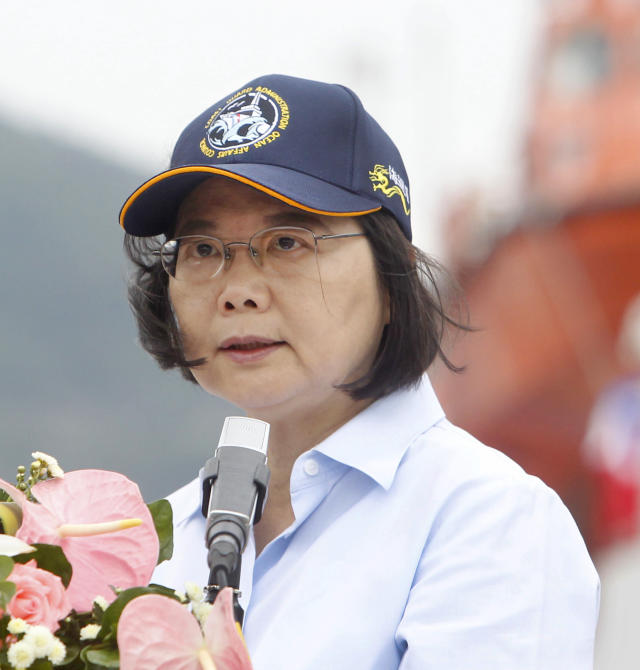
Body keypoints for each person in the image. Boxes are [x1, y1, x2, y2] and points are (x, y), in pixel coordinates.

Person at [117, 75, 599, 669]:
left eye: (288, 241)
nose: (237, 291)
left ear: (393, 280)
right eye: (202, 250)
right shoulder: (151, 539)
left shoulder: (489, 521)